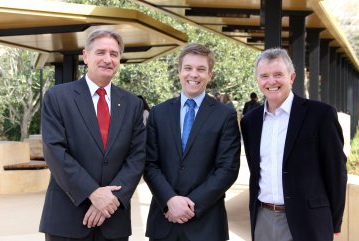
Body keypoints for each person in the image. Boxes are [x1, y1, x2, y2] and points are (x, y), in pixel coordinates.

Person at [39, 29, 146, 241]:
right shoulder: (58, 97)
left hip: (113, 219)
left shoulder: (133, 104)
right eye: (101, 52)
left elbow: (137, 156)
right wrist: (93, 193)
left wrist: (110, 199)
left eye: (114, 54)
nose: (108, 59)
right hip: (67, 218)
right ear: (86, 56)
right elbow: (54, 152)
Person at [240, 48, 347, 241]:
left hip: (308, 221)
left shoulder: (321, 115)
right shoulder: (250, 122)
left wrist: (335, 220)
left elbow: (336, 171)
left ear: (292, 77)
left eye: (278, 74)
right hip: (263, 218)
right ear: (258, 80)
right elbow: (256, 171)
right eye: (264, 76)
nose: (271, 81)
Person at [144, 43, 241, 241]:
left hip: (206, 224)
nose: (193, 74)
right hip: (164, 221)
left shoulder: (225, 115)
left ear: (210, 74)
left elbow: (227, 169)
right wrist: (170, 200)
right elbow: (149, 164)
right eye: (188, 68)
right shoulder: (158, 113)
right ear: (179, 71)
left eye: (201, 69)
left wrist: (190, 205)